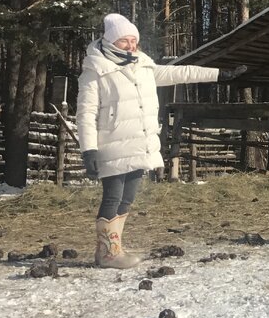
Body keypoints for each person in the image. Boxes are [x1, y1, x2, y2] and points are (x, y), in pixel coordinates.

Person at [76, 13, 247, 268]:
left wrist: (220, 74)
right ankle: (108, 254)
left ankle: (113, 247)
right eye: (125, 41)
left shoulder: (144, 66)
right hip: (110, 147)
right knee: (112, 198)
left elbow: (183, 72)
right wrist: (88, 150)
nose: (131, 46)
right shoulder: (96, 71)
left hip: (139, 145)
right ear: (111, 41)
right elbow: (85, 113)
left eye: (134, 41)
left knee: (127, 199)